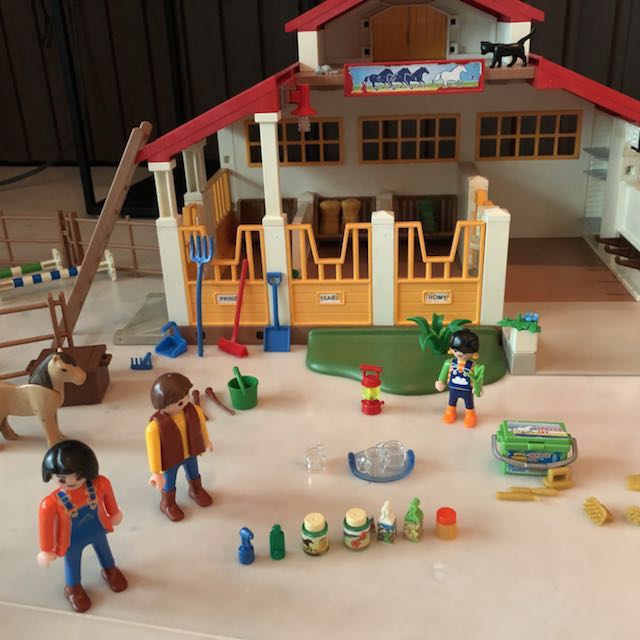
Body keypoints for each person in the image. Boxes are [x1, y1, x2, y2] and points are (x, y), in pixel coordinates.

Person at [37, 440, 127, 613]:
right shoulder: (51, 503)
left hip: (98, 529)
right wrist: (46, 549)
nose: (71, 483)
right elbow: (45, 525)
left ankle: (110, 569)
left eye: (78, 477)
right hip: (71, 539)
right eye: (62, 479)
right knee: (73, 561)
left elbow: (109, 498)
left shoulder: (100, 484)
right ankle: (73, 587)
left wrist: (114, 513)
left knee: (104, 550)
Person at [145, 372, 213, 522]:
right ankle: (167, 504)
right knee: (169, 481)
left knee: (194, 473)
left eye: (186, 396)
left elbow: (201, 426)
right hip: (171, 460)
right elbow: (153, 450)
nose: (184, 402)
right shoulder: (155, 427)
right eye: (178, 402)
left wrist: (206, 441)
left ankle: (196, 490)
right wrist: (156, 472)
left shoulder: (194, 411)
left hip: (190, 454)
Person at [435, 329, 481, 428]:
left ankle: (470, 415)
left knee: (469, 403)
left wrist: (478, 387)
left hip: (467, 390)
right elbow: (443, 374)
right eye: (456, 350)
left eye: (465, 352)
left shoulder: (474, 366)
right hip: (453, 389)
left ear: (473, 353)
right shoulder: (449, 363)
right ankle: (450, 412)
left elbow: (478, 379)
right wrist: (440, 381)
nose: (460, 353)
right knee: (451, 401)